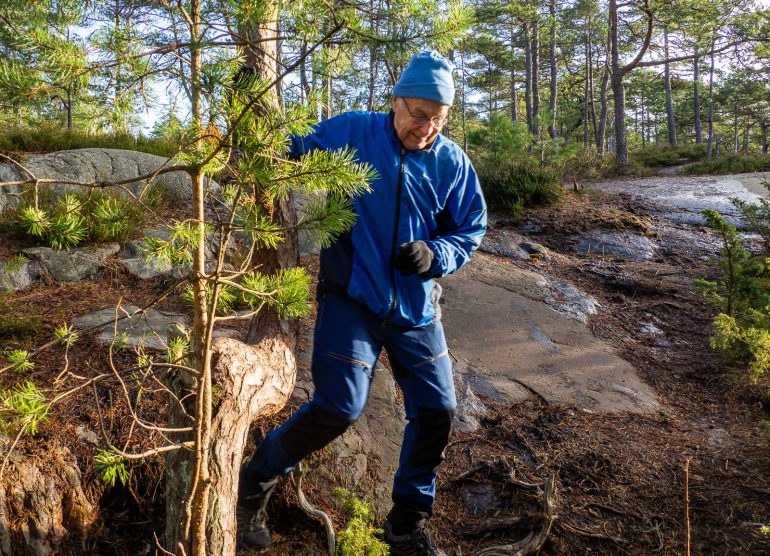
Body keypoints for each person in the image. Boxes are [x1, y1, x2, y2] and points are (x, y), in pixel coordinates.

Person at [237, 50, 487, 556]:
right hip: (351, 297)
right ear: (395, 101)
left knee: (438, 408)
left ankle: (405, 523)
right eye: (418, 114)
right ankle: (254, 484)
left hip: (417, 309)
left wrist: (436, 252)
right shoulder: (354, 132)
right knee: (339, 407)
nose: (426, 128)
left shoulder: (451, 162)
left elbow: (471, 228)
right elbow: (288, 147)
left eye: (437, 119)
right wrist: (249, 107)